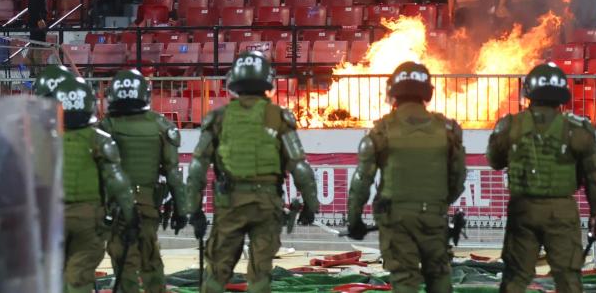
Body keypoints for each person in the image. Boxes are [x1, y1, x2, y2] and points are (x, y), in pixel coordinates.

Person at [185, 51, 319, 292]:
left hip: (230, 204)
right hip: (267, 204)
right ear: (268, 80)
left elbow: (197, 168)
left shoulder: (218, 118)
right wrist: (311, 204)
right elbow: (301, 168)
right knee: (260, 274)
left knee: (217, 272)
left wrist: (193, 209)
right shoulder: (278, 117)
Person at [487, 62, 596, 292]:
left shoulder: (510, 125)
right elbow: (594, 177)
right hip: (561, 212)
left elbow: (494, 161)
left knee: (515, 277)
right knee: (568, 278)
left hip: (522, 210)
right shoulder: (578, 128)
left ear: (529, 92)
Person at [347, 61, 467, 293]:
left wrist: (354, 221)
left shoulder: (381, 130)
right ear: (428, 91)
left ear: (393, 91)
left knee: (404, 280)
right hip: (434, 217)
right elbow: (458, 178)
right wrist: (439, 203)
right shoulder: (448, 130)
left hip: (396, 219)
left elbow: (362, 181)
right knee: (440, 277)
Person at [33, 65, 136, 293]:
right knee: (79, 278)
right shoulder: (99, 139)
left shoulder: (38, 139)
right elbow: (117, 183)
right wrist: (129, 217)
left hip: (51, 218)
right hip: (88, 218)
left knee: (52, 275)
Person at [98, 69, 189, 293]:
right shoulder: (162, 126)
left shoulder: (106, 127)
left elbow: (98, 173)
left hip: (116, 205)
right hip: (148, 202)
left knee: (123, 260)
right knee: (150, 258)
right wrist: (181, 209)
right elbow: (173, 175)